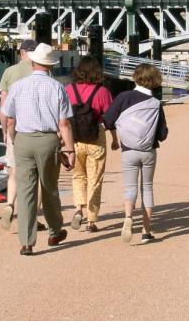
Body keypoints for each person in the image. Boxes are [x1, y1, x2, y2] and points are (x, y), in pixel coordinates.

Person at [2, 43, 75, 256]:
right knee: (50, 187)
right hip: (48, 139)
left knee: (26, 191)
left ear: (32, 61)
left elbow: (9, 119)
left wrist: (14, 140)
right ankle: (54, 231)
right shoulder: (57, 88)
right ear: (50, 65)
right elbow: (64, 124)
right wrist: (69, 150)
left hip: (23, 139)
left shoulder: (18, 86)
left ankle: (26, 241)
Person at [103, 64, 168, 245]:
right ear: (155, 80)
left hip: (128, 150)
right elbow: (163, 134)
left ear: (135, 77)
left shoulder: (123, 97)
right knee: (147, 188)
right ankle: (146, 231)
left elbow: (107, 120)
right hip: (148, 151)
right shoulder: (156, 104)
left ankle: (128, 217)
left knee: (129, 188)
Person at [64, 56, 119, 233]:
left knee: (78, 176)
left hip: (74, 139)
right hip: (95, 138)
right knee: (95, 179)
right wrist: (115, 139)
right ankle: (91, 221)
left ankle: (78, 209)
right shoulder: (102, 92)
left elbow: (62, 118)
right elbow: (110, 119)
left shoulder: (68, 90)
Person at [0, 39, 47, 232]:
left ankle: (9, 204)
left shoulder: (9, 72)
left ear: (20, 52)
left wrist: (4, 132)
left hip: (14, 128)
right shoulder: (41, 72)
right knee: (38, 177)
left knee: (14, 172)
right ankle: (32, 217)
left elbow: (4, 108)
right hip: (35, 129)